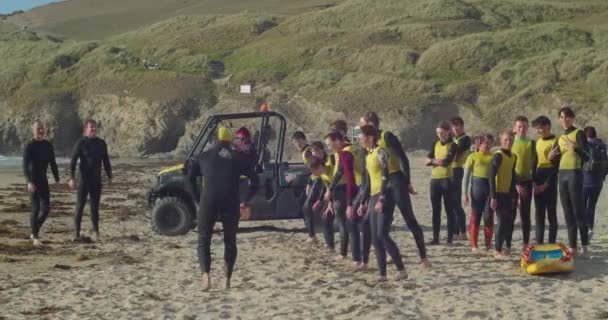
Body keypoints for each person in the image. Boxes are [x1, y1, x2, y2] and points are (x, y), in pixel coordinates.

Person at [188, 127, 259, 290]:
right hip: (231, 201)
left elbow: (190, 178)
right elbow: (255, 181)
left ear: (215, 140)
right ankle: (227, 278)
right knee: (230, 240)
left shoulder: (204, 156)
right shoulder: (239, 157)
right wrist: (245, 200)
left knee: (203, 239)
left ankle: (206, 276)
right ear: (230, 141)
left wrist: (198, 199)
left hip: (208, 200)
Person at [359, 112, 430, 267]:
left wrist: (408, 181)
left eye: (363, 124)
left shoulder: (387, 136)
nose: (361, 129)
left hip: (395, 180)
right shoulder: (368, 146)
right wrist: (363, 198)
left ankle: (423, 257)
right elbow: (368, 174)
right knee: (380, 224)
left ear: (371, 124)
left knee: (409, 218)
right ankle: (387, 255)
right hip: (379, 186)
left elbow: (403, 158)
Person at [357, 125, 407, 281]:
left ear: (370, 137)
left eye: (361, 135)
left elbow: (386, 177)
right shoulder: (368, 154)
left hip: (384, 195)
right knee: (374, 236)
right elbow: (368, 181)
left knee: (382, 234)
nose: (359, 138)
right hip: (373, 196)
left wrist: (382, 198)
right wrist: (363, 202)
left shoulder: (380, 152)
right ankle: (382, 274)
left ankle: (401, 269)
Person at [551, 107, 590, 255]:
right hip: (562, 176)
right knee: (567, 213)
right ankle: (573, 247)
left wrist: (576, 148)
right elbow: (555, 161)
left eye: (567, 116)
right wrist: (550, 157)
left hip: (575, 174)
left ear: (572, 118)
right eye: (561, 117)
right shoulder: (559, 138)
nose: (564, 119)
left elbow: (587, 156)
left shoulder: (578, 133)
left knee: (578, 211)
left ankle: (585, 246)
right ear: (559, 120)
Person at [69, 119, 112, 242]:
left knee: (95, 207)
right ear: (85, 129)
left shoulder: (101, 143)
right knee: (80, 206)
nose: (93, 129)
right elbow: (73, 162)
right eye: (91, 127)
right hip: (83, 179)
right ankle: (76, 232)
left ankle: (96, 231)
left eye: (95, 127)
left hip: (96, 179)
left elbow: (106, 161)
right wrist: (71, 178)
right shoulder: (80, 143)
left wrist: (109, 176)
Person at [325, 131, 363, 266]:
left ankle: (356, 259)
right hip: (363, 187)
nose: (329, 148)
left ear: (337, 141)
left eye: (330, 144)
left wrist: (349, 203)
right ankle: (355, 257)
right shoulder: (348, 149)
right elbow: (340, 171)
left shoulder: (346, 153)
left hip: (360, 188)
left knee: (351, 225)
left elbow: (350, 179)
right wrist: (331, 187)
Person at [22, 121, 60, 246]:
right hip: (33, 180)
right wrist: (28, 181)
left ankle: (34, 231)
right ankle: (35, 238)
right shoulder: (29, 146)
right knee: (36, 208)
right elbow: (25, 166)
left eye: (42, 129)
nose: (40, 131)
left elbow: (53, 163)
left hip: (43, 180)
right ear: (33, 130)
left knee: (46, 208)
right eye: (38, 129)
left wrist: (57, 179)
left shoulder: (48, 145)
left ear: (45, 130)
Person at [426, 121, 457, 245]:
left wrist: (433, 161)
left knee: (449, 210)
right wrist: (435, 161)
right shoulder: (435, 143)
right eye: (438, 133)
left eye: (442, 133)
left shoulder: (452, 145)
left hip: (447, 180)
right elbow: (426, 160)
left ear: (448, 132)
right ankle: (436, 238)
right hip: (434, 180)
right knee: (435, 210)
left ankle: (450, 239)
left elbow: (446, 162)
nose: (440, 135)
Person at [462, 134, 494, 252]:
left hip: (490, 189)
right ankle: (474, 245)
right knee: (476, 217)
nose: (488, 145)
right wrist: (464, 194)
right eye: (485, 143)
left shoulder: (494, 157)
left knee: (488, 216)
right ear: (479, 144)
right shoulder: (472, 156)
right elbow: (466, 177)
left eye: (490, 143)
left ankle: (488, 244)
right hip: (477, 188)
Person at [489, 130, 517, 259]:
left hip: (508, 193)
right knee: (501, 221)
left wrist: (513, 195)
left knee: (509, 221)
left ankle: (507, 248)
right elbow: (491, 176)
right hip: (498, 193)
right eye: (506, 140)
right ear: (501, 141)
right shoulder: (498, 156)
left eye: (511, 140)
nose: (508, 142)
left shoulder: (513, 157)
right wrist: (493, 197)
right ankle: (497, 250)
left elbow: (512, 177)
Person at [531, 116, 559, 244]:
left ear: (548, 126)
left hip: (551, 177)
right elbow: (534, 163)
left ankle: (551, 243)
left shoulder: (555, 141)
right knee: (539, 215)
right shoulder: (537, 142)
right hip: (539, 174)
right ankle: (539, 243)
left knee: (551, 214)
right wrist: (536, 183)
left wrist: (547, 184)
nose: (538, 131)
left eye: (540, 128)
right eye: (537, 128)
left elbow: (556, 166)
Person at [510, 116, 536, 251]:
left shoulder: (531, 143)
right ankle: (507, 243)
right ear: (514, 128)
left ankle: (525, 243)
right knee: (510, 213)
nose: (522, 129)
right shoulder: (510, 142)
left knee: (525, 214)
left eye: (525, 126)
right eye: (519, 126)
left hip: (526, 182)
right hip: (511, 182)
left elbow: (535, 163)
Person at [582, 126, 607, 240]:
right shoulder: (603, 146)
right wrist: (602, 177)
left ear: (586, 135)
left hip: (585, 181)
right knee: (591, 206)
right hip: (598, 183)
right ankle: (590, 228)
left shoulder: (586, 145)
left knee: (581, 206)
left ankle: (583, 230)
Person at [450, 117, 472, 241]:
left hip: (458, 170)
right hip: (450, 171)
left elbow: (456, 155)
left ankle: (462, 232)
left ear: (462, 126)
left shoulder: (465, 139)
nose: (455, 128)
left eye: (457, 125)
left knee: (457, 204)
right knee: (452, 204)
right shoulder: (454, 139)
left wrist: (450, 154)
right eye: (453, 126)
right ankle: (455, 232)